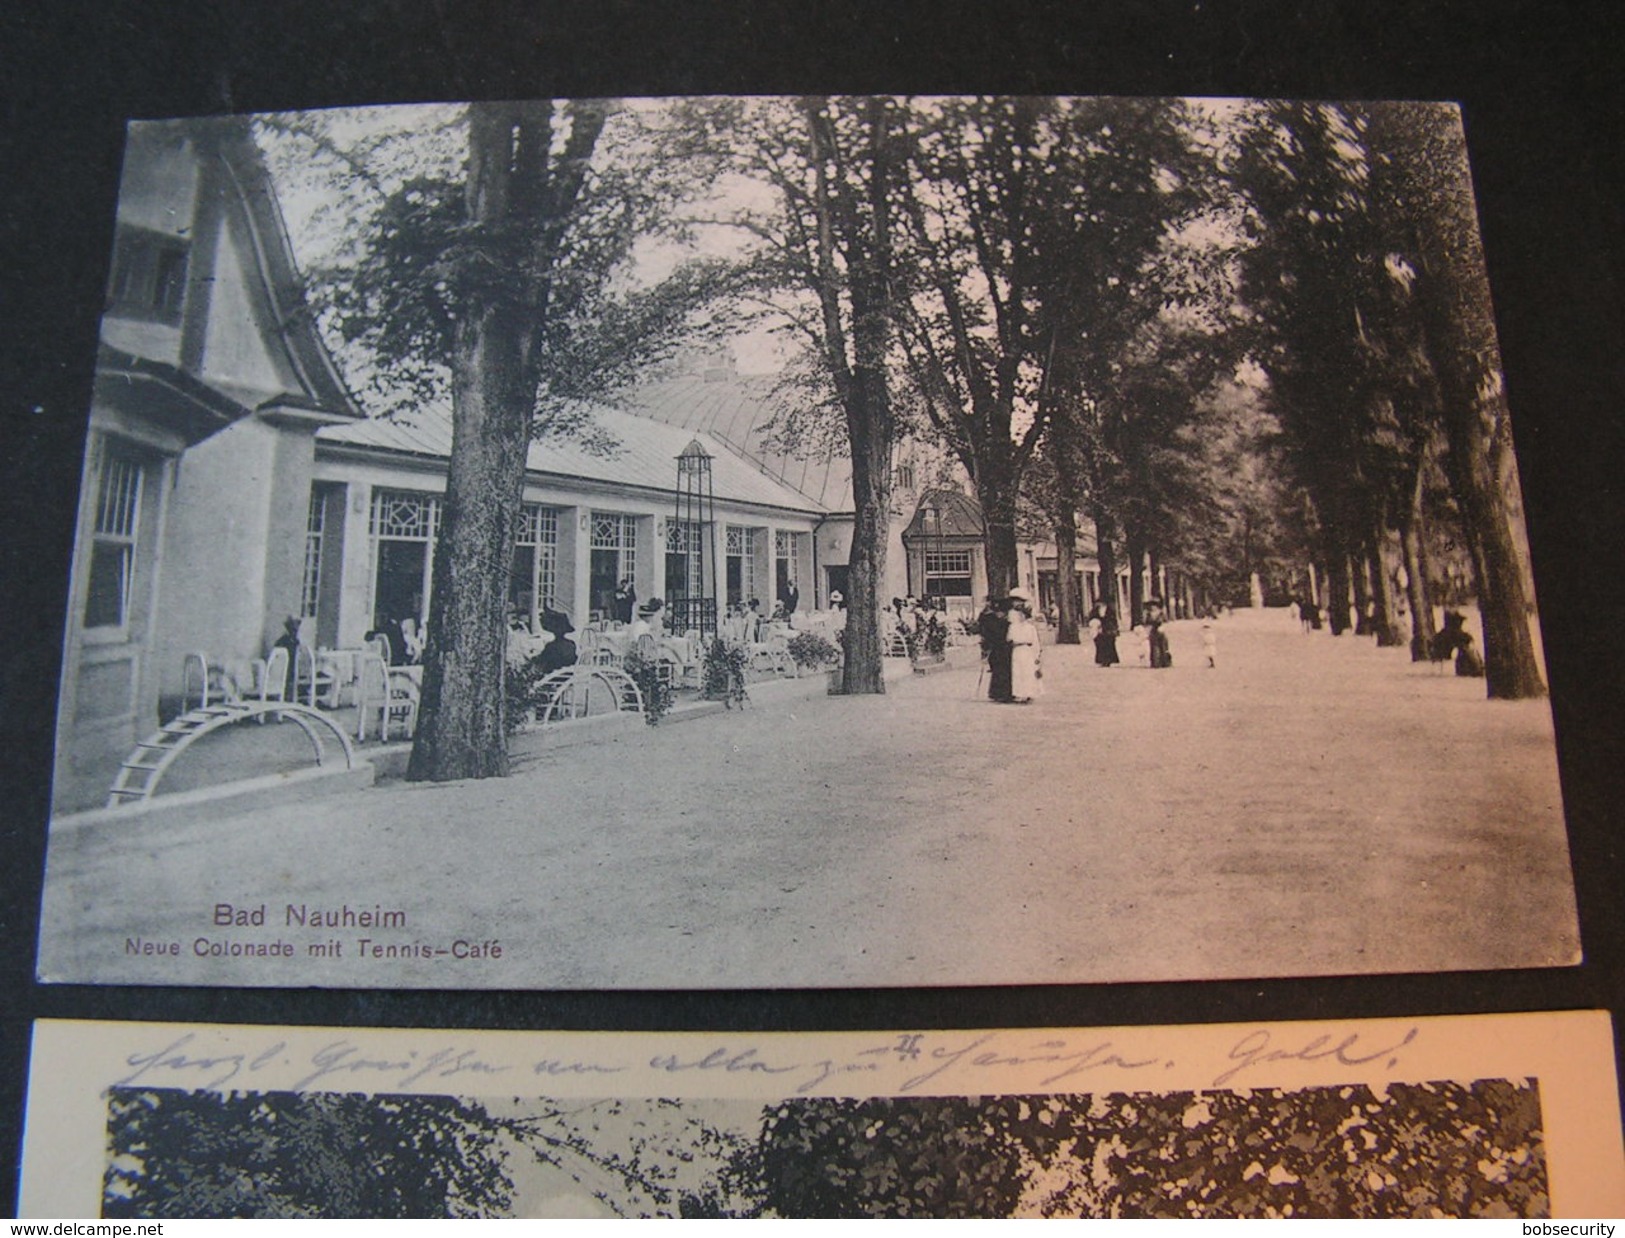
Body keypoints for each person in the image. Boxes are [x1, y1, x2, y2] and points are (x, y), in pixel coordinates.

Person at [976, 595, 1013, 703]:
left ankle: (1001, 693)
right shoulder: (994, 620)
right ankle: (1001, 693)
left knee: (1002, 671)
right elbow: (989, 634)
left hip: (1001, 648)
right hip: (999, 648)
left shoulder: (1001, 621)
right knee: (1000, 671)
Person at [1008, 590, 1042, 702]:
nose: (1021, 617)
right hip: (1017, 650)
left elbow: (1035, 641)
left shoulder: (1030, 627)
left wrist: (1036, 654)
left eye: (1023, 615)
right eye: (1019, 615)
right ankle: (1019, 693)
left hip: (1027, 651)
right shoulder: (1013, 627)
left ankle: (1029, 692)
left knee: (1028, 671)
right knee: (1018, 672)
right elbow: (1009, 638)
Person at [1090, 600, 1120, 667]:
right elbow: (1091, 617)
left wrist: (1114, 629)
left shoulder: (1110, 610)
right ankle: (1101, 660)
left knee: (1108, 645)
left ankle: (1108, 661)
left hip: (1107, 629)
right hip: (1098, 629)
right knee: (1100, 646)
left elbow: (1113, 620)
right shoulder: (1095, 610)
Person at [1145, 598, 1172, 668]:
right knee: (1157, 646)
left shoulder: (1157, 613)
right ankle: (1158, 662)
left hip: (1159, 631)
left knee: (1161, 646)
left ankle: (1161, 662)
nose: (1152, 607)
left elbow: (1164, 621)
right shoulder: (1157, 613)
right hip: (1156, 631)